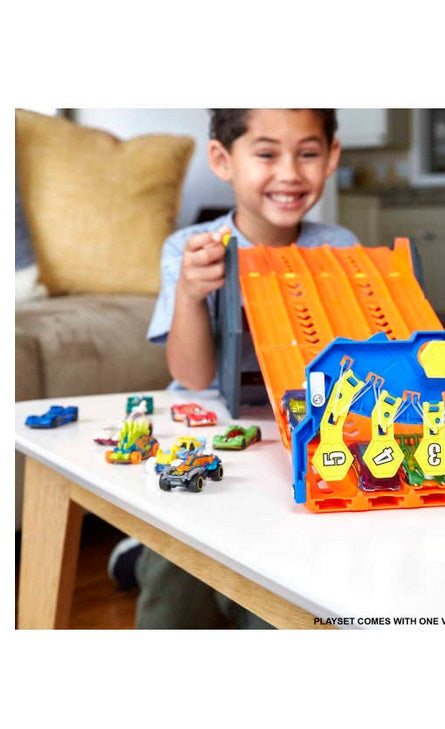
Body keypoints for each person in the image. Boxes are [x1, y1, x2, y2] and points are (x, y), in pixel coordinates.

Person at [110, 109, 358, 628]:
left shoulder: (340, 248)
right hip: (215, 428)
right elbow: (193, 376)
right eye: (266, 154)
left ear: (331, 157)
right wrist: (191, 293)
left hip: (296, 435)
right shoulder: (190, 249)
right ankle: (146, 550)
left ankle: (172, 566)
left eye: (308, 153)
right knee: (177, 570)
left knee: (282, 578)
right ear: (223, 160)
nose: (290, 172)